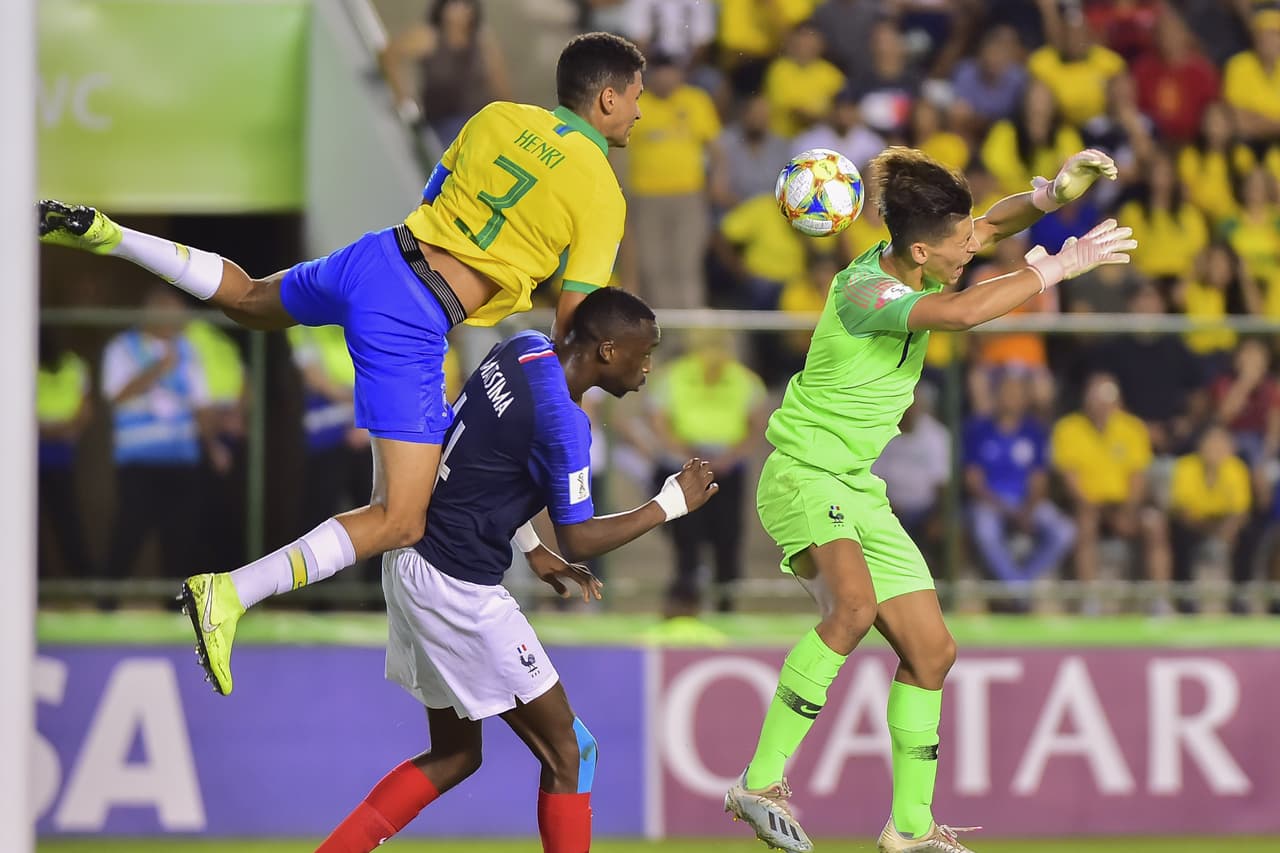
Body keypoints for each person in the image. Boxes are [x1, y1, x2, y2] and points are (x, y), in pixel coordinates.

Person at [37, 32, 647, 695]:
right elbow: (575, 332)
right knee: (400, 518)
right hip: (414, 316)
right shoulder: (602, 194)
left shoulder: (496, 116)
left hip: (380, 256)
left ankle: (113, 237)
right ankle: (229, 593)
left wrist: (530, 545)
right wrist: (558, 427)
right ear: (608, 98)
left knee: (248, 297)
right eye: (637, 98)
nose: (640, 113)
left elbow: (433, 199)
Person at [723, 145, 1125, 853]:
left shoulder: (919, 251)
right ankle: (758, 781)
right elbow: (966, 312)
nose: (970, 248)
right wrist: (1055, 266)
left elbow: (991, 228)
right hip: (805, 472)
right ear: (916, 249)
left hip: (855, 485)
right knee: (851, 607)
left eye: (967, 236)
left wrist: (1053, 196)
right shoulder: (864, 294)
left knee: (933, 651)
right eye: (957, 244)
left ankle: (910, 827)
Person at [316, 288, 717, 853]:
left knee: (455, 755)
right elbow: (579, 535)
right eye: (642, 352)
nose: (647, 366)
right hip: (457, 584)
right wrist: (670, 503)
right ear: (607, 350)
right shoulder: (567, 422)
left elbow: (487, 454)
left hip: (412, 560)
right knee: (573, 753)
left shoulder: (521, 352)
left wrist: (530, 547)